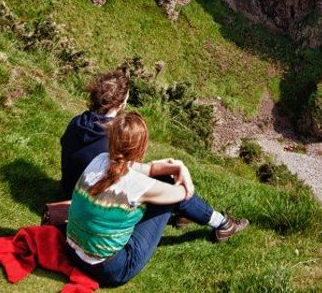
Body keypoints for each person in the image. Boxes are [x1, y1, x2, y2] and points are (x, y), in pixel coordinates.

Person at [66, 111, 248, 286]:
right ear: (141, 148)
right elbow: (183, 194)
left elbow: (148, 169)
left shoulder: (100, 159)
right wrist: (182, 171)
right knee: (170, 187)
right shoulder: (136, 185)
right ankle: (222, 224)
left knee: (164, 180)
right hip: (111, 270)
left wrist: (178, 167)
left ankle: (194, 219)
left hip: (73, 253)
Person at [60, 68, 131, 199]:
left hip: (68, 191)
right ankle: (181, 208)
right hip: (91, 201)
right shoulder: (117, 136)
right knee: (167, 180)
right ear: (121, 104)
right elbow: (125, 172)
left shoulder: (77, 121)